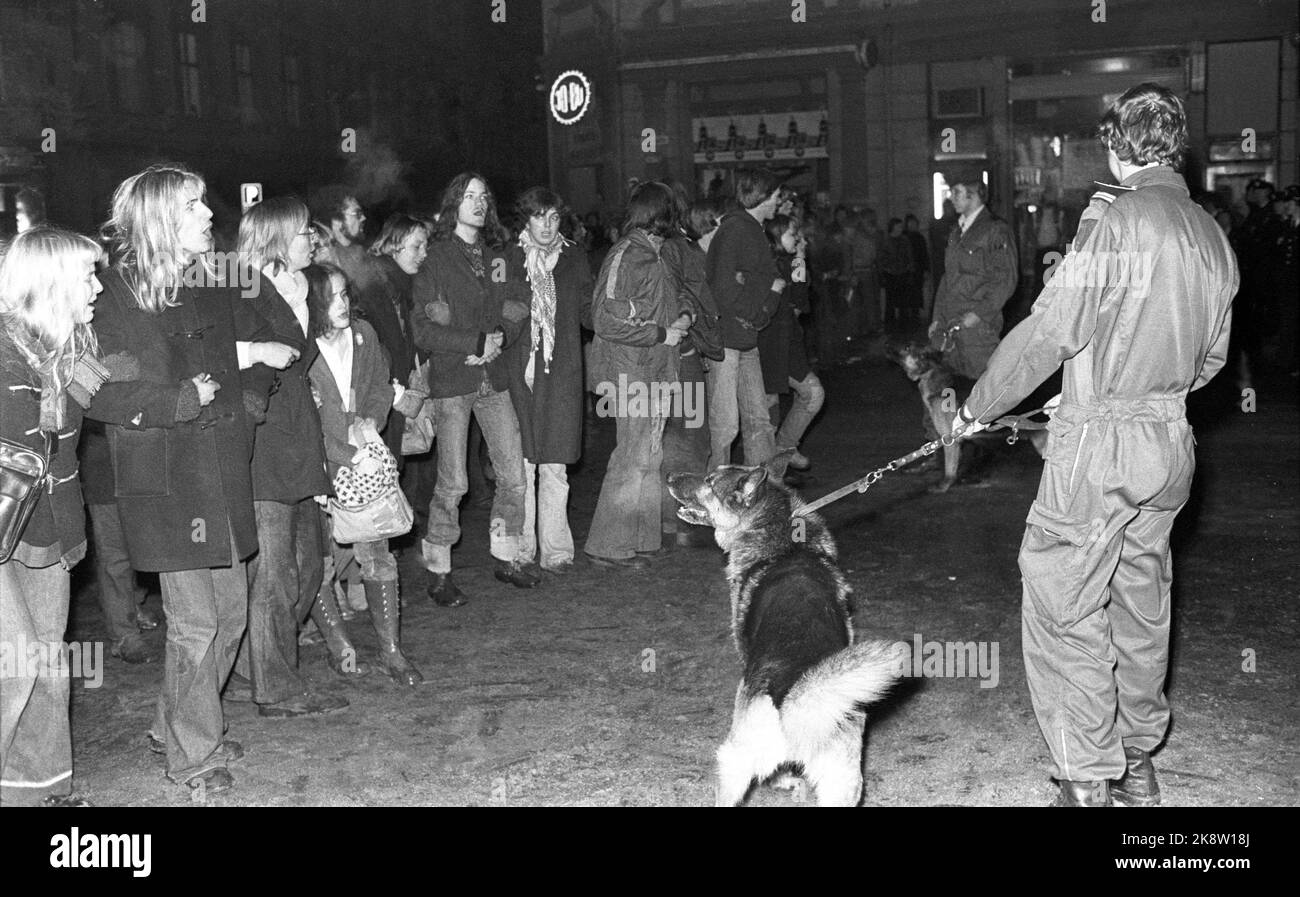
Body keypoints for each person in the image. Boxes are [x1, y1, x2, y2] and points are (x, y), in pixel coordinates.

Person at [954, 83, 1238, 807]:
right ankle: (1138, 763)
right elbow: (1208, 363)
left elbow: (1054, 327)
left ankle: (1086, 776)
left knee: (1061, 597)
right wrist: (1098, 385)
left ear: (1117, 146)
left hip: (1100, 449)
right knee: (1141, 600)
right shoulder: (1211, 235)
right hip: (1169, 441)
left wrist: (979, 405)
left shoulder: (1114, 221)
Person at [87, 163, 287, 794]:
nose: (209, 214)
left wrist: (250, 400)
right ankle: (192, 757)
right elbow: (97, 390)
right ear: (158, 220)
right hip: (165, 479)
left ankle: (172, 724)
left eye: (205, 202)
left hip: (223, 467)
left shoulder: (216, 279)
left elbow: (269, 342)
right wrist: (176, 400)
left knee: (230, 617)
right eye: (194, 205)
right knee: (195, 622)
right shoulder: (114, 293)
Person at [0, 226, 104, 806]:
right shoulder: (3, 349)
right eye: (86, 276)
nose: (97, 287)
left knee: (44, 663)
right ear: (50, 285)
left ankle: (34, 793)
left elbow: (104, 405)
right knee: (10, 668)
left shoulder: (71, 348)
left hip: (44, 526)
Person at [234, 196, 345, 719]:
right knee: (275, 574)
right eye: (304, 232)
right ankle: (275, 687)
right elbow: (218, 355)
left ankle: (247, 670)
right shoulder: (243, 287)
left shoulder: (303, 286)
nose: (313, 240)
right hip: (263, 446)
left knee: (308, 568)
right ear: (276, 237)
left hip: (298, 438)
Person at [411, 171, 536, 604]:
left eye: (484, 196)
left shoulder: (499, 253)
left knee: (512, 476)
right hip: (453, 379)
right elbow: (423, 328)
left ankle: (506, 556)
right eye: (468, 196)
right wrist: (473, 343)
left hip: (493, 376)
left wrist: (499, 335)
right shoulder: (435, 257)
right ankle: (439, 572)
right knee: (454, 482)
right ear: (453, 203)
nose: (478, 203)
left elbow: (519, 302)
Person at [305, 263, 423, 686]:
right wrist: (343, 454)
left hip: (364, 461)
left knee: (376, 553)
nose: (344, 303)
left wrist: (367, 429)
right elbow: (304, 420)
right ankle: (341, 647)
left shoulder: (363, 334)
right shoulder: (300, 346)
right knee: (317, 563)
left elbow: (378, 385)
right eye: (333, 297)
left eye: (345, 294)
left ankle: (392, 651)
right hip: (318, 466)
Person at [585, 181, 694, 569]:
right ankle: (609, 545)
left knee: (651, 454)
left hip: (659, 368)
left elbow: (677, 296)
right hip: (630, 369)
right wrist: (661, 333)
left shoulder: (660, 254)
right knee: (632, 456)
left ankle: (642, 538)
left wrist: (684, 316)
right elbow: (604, 320)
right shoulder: (626, 255)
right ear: (660, 213)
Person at [504, 187, 593, 573]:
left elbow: (590, 310)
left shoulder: (574, 258)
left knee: (555, 463)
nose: (546, 225)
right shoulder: (507, 258)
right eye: (539, 216)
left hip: (560, 371)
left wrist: (621, 314)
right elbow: (495, 308)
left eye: (554, 217)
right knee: (521, 463)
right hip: (519, 369)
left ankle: (556, 551)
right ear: (525, 219)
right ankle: (521, 549)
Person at [703, 168, 784, 471]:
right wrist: (757, 312)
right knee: (725, 427)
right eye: (776, 195)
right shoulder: (738, 230)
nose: (779, 202)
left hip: (744, 337)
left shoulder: (749, 229)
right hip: (729, 339)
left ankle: (760, 495)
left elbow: (761, 278)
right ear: (763, 196)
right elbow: (723, 287)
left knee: (758, 420)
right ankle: (713, 495)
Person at [660, 197, 721, 549]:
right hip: (682, 356)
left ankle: (673, 518)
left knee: (680, 433)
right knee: (689, 435)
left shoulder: (675, 250)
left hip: (681, 354)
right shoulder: (684, 253)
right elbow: (697, 302)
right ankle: (680, 516)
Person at [928, 178, 1018, 379]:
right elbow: (947, 277)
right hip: (950, 327)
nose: (951, 197)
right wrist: (937, 318)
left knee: (980, 394)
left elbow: (1006, 280)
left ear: (974, 193)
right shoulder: (956, 231)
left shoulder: (996, 230)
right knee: (951, 393)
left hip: (977, 330)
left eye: (957, 192)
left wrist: (978, 315)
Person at [758, 214, 823, 473]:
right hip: (769, 347)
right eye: (791, 234)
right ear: (775, 236)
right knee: (767, 417)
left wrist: (800, 259)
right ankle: (770, 476)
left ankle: (783, 450)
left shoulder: (789, 262)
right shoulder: (767, 265)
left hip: (787, 344)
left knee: (812, 394)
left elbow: (798, 300)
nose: (797, 239)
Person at [364, 213, 430, 461]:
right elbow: (376, 346)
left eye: (425, 246)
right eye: (416, 246)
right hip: (383, 396)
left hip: (396, 391)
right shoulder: (376, 285)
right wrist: (393, 387)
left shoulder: (405, 285)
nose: (423, 254)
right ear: (393, 245)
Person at [880, 216, 917, 333]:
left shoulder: (904, 240)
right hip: (890, 274)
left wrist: (910, 270)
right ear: (893, 227)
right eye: (899, 226)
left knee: (903, 302)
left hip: (903, 273)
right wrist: (885, 270)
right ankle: (890, 326)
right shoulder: (886, 241)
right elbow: (882, 258)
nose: (901, 228)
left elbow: (909, 256)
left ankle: (903, 326)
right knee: (890, 301)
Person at [903, 214, 930, 326]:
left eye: (915, 224)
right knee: (906, 293)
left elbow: (924, 254)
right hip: (905, 270)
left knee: (917, 293)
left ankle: (915, 315)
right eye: (911, 224)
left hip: (917, 270)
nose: (913, 226)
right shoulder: (903, 237)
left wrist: (926, 269)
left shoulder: (919, 238)